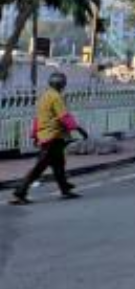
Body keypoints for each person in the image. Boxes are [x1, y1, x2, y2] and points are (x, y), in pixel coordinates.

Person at [11, 72, 88, 205]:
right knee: (39, 167)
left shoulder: (44, 96)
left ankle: (65, 189)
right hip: (52, 137)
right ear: (62, 84)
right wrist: (79, 129)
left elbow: (38, 119)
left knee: (59, 165)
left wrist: (35, 135)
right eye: (63, 82)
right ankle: (20, 192)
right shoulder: (56, 97)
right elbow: (64, 117)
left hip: (50, 136)